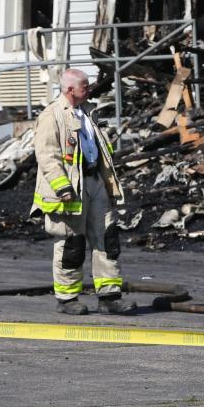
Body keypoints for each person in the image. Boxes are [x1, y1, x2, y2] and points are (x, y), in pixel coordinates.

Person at [32, 68, 136, 315]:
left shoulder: (88, 112)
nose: (89, 89)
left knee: (107, 237)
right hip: (71, 189)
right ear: (69, 89)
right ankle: (67, 299)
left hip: (94, 182)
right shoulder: (52, 116)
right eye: (84, 86)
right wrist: (62, 187)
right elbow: (47, 156)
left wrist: (108, 185)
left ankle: (109, 296)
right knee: (71, 241)